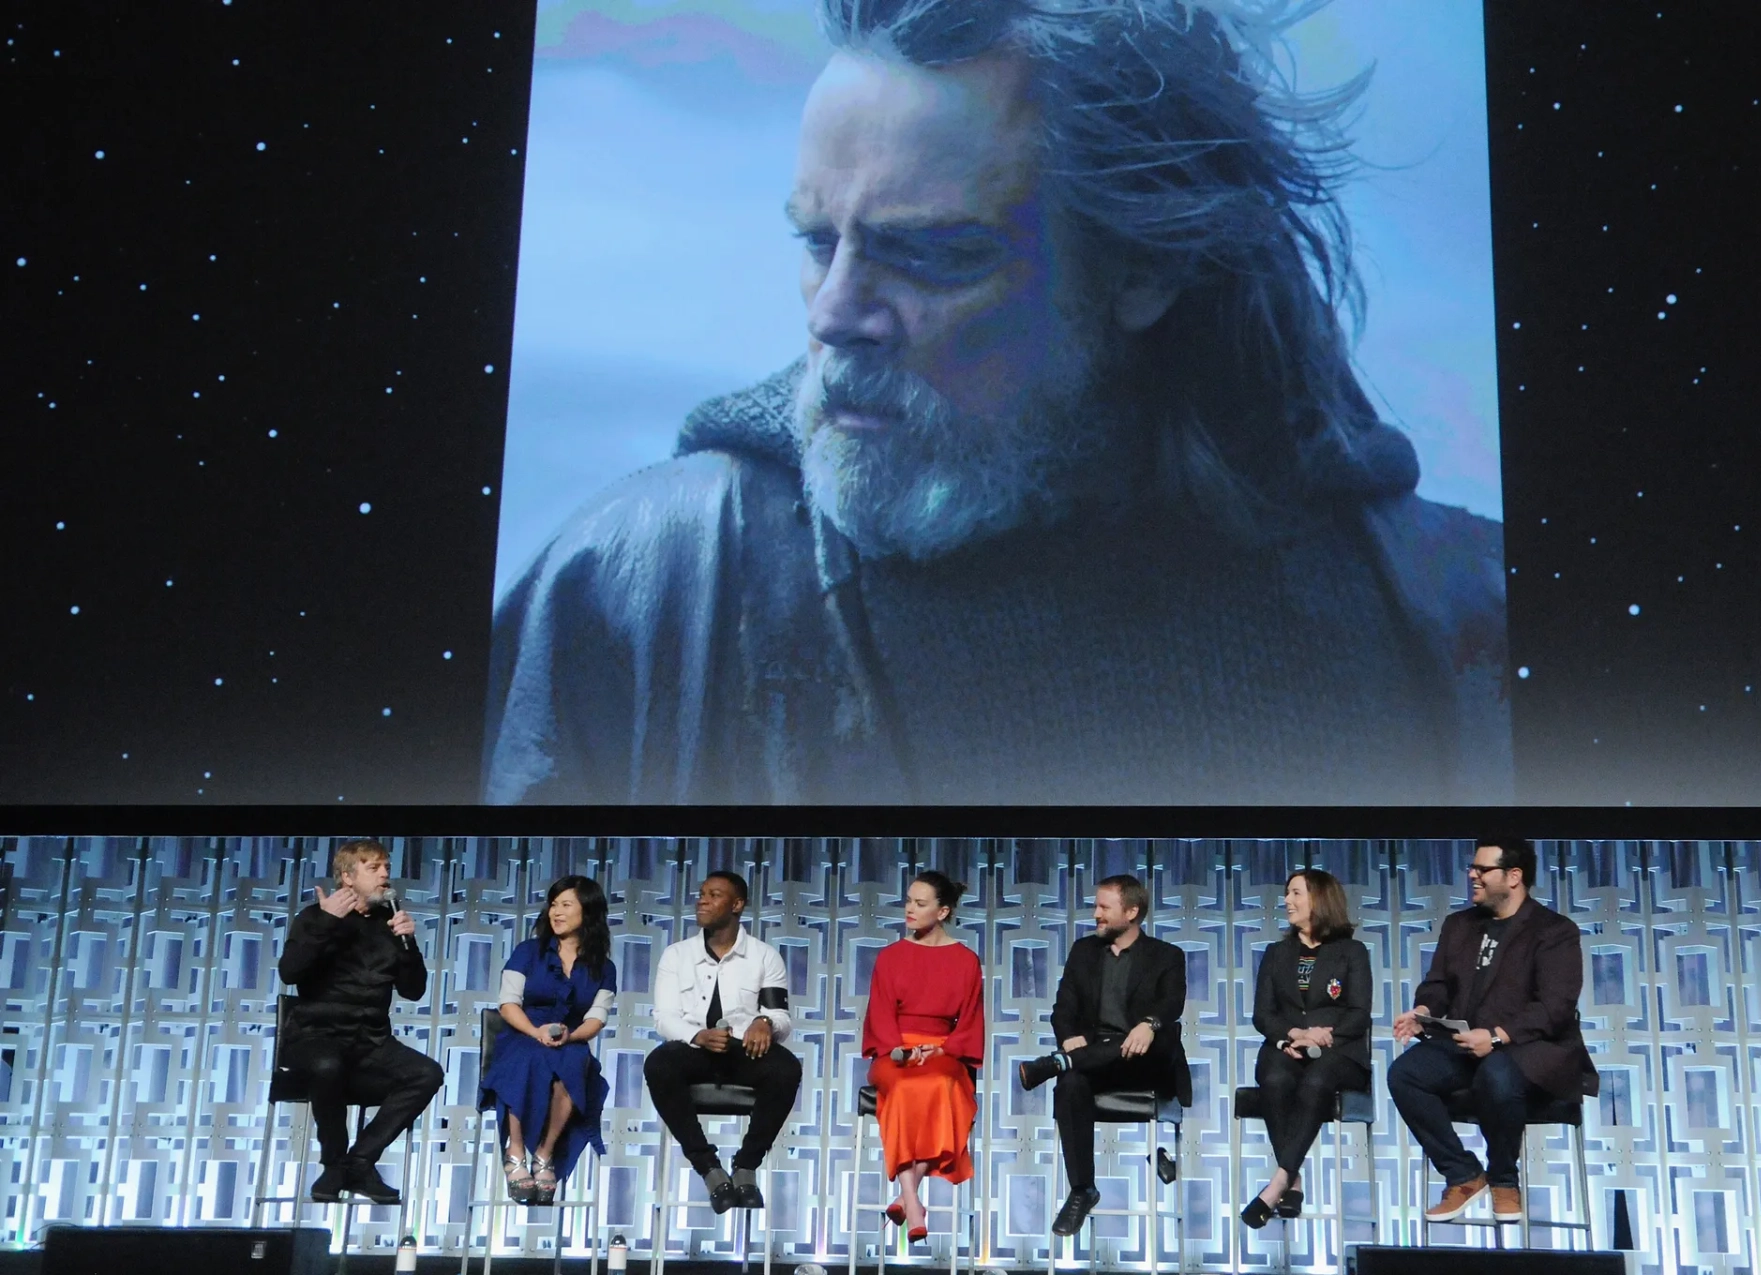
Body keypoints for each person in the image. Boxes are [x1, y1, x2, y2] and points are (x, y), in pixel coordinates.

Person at [482, 0, 1510, 809]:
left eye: (931, 253)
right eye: (815, 242)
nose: (837, 314)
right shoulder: (640, 588)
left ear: (1143, 269)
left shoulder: (1452, 611)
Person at [1387, 838, 1598, 1224]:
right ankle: (1464, 1174)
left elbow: (1556, 1007)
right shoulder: (1459, 925)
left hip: (1531, 1051)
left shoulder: (1554, 931)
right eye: (1473, 868)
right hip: (1467, 1043)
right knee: (1405, 1074)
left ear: (1513, 876)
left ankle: (1503, 1178)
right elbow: (1438, 985)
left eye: (1483, 870)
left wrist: (1498, 1036)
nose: (1472, 875)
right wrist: (1423, 1011)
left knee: (1497, 1073)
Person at [1016, 874, 1192, 1237]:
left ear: (1131, 911)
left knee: (1155, 1037)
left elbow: (1171, 1003)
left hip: (1145, 1063)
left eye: (1103, 907)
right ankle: (1082, 1189)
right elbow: (1062, 1008)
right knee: (1070, 1085)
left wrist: (1149, 1023)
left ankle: (1061, 1064)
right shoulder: (1084, 952)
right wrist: (1068, 1040)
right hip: (1093, 1060)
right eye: (1096, 906)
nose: (1095, 913)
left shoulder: (1166, 955)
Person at [276, 839, 444, 1204]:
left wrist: (409, 945)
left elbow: (413, 991)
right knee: (327, 1064)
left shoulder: (390, 922)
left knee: (427, 1073)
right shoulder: (316, 916)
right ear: (347, 877)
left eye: (386, 867)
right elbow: (289, 973)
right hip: (315, 1037)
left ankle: (360, 1162)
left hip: (371, 1041)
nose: (385, 874)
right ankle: (334, 1163)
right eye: (374, 868)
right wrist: (325, 923)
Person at [644, 871, 802, 1213]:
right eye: (701, 893)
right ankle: (709, 1169)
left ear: (737, 905)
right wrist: (696, 1035)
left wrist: (764, 1022)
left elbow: (781, 1017)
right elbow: (664, 1017)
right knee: (659, 1063)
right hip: (693, 1049)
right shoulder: (676, 955)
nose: (702, 900)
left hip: (742, 1052)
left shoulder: (764, 956)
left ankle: (746, 1166)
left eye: (713, 895)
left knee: (786, 1068)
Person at [1240, 869, 1372, 1228]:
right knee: (1276, 1079)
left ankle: (1279, 1181)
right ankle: (1292, 1179)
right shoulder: (1276, 952)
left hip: (1339, 1051)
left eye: (1296, 893)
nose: (1287, 901)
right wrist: (1291, 1035)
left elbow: (1359, 1014)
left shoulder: (1352, 952)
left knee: (1317, 1081)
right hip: (1286, 1045)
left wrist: (1322, 1035)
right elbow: (1262, 1014)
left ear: (1320, 900)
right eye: (1287, 894)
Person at [861, 871, 985, 1242]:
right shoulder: (891, 957)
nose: (909, 910)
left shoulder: (965, 960)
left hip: (943, 1050)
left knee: (943, 1084)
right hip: (896, 1051)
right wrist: (899, 1050)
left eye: (920, 903)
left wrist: (945, 1048)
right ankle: (914, 1201)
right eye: (908, 901)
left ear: (943, 911)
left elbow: (971, 1019)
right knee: (902, 1088)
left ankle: (906, 1194)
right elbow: (880, 1014)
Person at [479, 876, 616, 1205]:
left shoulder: (604, 967)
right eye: (553, 904)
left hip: (569, 1037)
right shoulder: (528, 952)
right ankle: (515, 1152)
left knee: (574, 1060)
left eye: (566, 905)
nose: (556, 911)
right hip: (523, 1032)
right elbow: (508, 1003)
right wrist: (535, 1031)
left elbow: (596, 1019)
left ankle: (544, 1152)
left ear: (588, 911)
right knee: (528, 1057)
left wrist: (571, 1034)